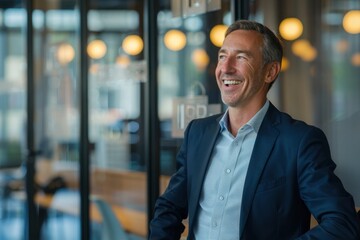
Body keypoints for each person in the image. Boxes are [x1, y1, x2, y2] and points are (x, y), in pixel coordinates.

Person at [149, 20, 360, 239]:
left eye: (241, 57)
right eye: (222, 56)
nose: (226, 67)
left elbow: (341, 223)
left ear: (270, 72)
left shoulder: (299, 142)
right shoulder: (197, 133)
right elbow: (168, 209)